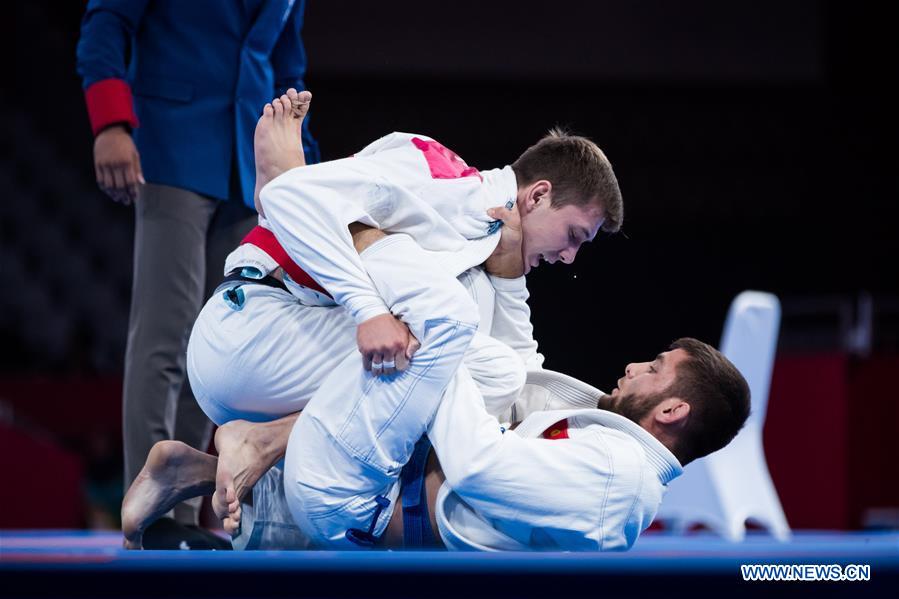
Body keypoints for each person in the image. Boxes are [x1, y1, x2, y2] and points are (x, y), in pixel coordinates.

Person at [122, 337, 750, 550]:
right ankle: (207, 469)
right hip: (407, 498)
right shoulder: (611, 446)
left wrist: (444, 348)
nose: (637, 366)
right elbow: (529, 385)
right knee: (471, 362)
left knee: (425, 349)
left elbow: (476, 468)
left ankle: (229, 459)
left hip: (405, 517)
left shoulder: (620, 479)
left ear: (672, 409)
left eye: (656, 368)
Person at [75, 0, 319, 535]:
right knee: (164, 337)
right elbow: (107, 21)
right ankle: (146, 512)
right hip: (173, 142)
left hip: (249, 162)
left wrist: (307, 171)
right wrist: (110, 123)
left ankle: (180, 514)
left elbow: (287, 70)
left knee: (216, 348)